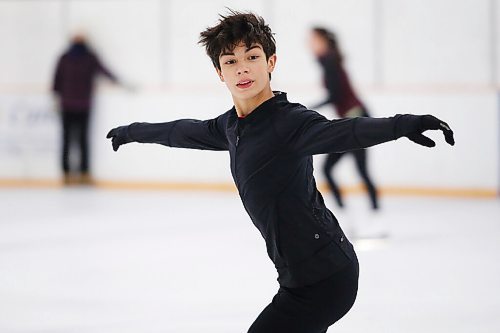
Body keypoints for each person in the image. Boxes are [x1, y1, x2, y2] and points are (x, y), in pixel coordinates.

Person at [106, 11, 455, 333]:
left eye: (252, 57)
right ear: (219, 72)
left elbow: (345, 131)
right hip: (299, 276)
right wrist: (132, 131)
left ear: (271, 62)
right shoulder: (230, 126)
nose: (243, 69)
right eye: (231, 61)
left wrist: (405, 124)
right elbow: (180, 131)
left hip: (325, 278)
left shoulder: (290, 122)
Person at [309, 27, 378, 210]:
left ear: (324, 41)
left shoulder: (330, 62)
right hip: (352, 119)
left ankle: (374, 215)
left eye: (313, 40)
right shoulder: (329, 62)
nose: (309, 44)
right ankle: (346, 212)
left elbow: (335, 95)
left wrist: (306, 110)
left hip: (356, 118)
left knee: (359, 170)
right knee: (331, 169)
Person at [53, 33, 118, 185]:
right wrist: (56, 95)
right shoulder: (65, 58)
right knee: (68, 140)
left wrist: (116, 80)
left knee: (82, 140)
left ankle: (83, 173)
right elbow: (57, 77)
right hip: (68, 104)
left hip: (83, 104)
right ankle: (67, 174)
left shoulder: (89, 57)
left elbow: (103, 70)